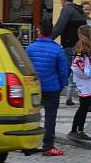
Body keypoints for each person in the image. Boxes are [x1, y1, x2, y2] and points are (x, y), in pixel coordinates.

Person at [26, 19, 69, 156]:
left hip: (34, 89)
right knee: (50, 118)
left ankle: (29, 145)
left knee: (31, 116)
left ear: (39, 31)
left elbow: (26, 69)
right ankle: (48, 147)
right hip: (52, 88)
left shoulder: (30, 48)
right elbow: (64, 71)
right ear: (51, 32)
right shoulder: (58, 50)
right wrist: (61, 85)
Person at [67, 25, 91, 141]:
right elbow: (77, 67)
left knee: (84, 106)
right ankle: (75, 130)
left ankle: (79, 130)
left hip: (87, 82)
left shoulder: (88, 48)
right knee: (83, 107)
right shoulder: (81, 48)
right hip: (84, 82)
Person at [51, 0, 87, 106]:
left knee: (63, 72)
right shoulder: (80, 10)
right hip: (80, 46)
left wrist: (48, 38)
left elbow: (59, 27)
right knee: (82, 73)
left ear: (63, 0)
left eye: (61, 1)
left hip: (70, 46)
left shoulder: (67, 9)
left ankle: (52, 97)